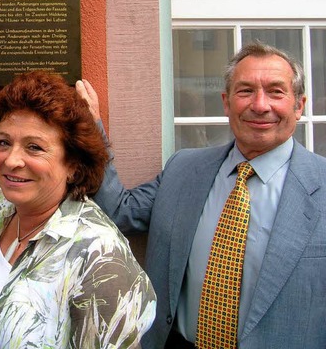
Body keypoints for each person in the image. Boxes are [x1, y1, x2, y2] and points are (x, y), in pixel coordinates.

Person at [79, 42, 326, 349]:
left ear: (299, 105)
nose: (260, 105)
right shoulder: (184, 169)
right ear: (226, 102)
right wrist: (91, 131)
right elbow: (119, 211)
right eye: (245, 90)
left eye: (276, 91)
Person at [0, 71, 156, 349]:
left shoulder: (100, 255)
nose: (12, 160)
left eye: (34, 148)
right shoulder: (0, 209)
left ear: (72, 164)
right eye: (3, 142)